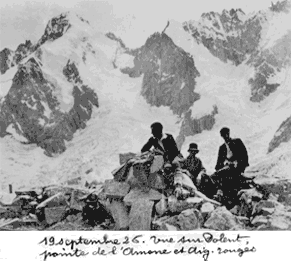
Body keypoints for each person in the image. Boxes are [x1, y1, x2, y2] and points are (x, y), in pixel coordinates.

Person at [210, 127, 249, 204]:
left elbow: (244, 156)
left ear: (229, 134)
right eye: (223, 135)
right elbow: (219, 163)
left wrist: (240, 167)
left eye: (226, 134)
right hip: (226, 168)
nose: (225, 136)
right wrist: (220, 167)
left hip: (236, 167)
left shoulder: (237, 142)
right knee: (215, 176)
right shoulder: (222, 148)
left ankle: (220, 193)